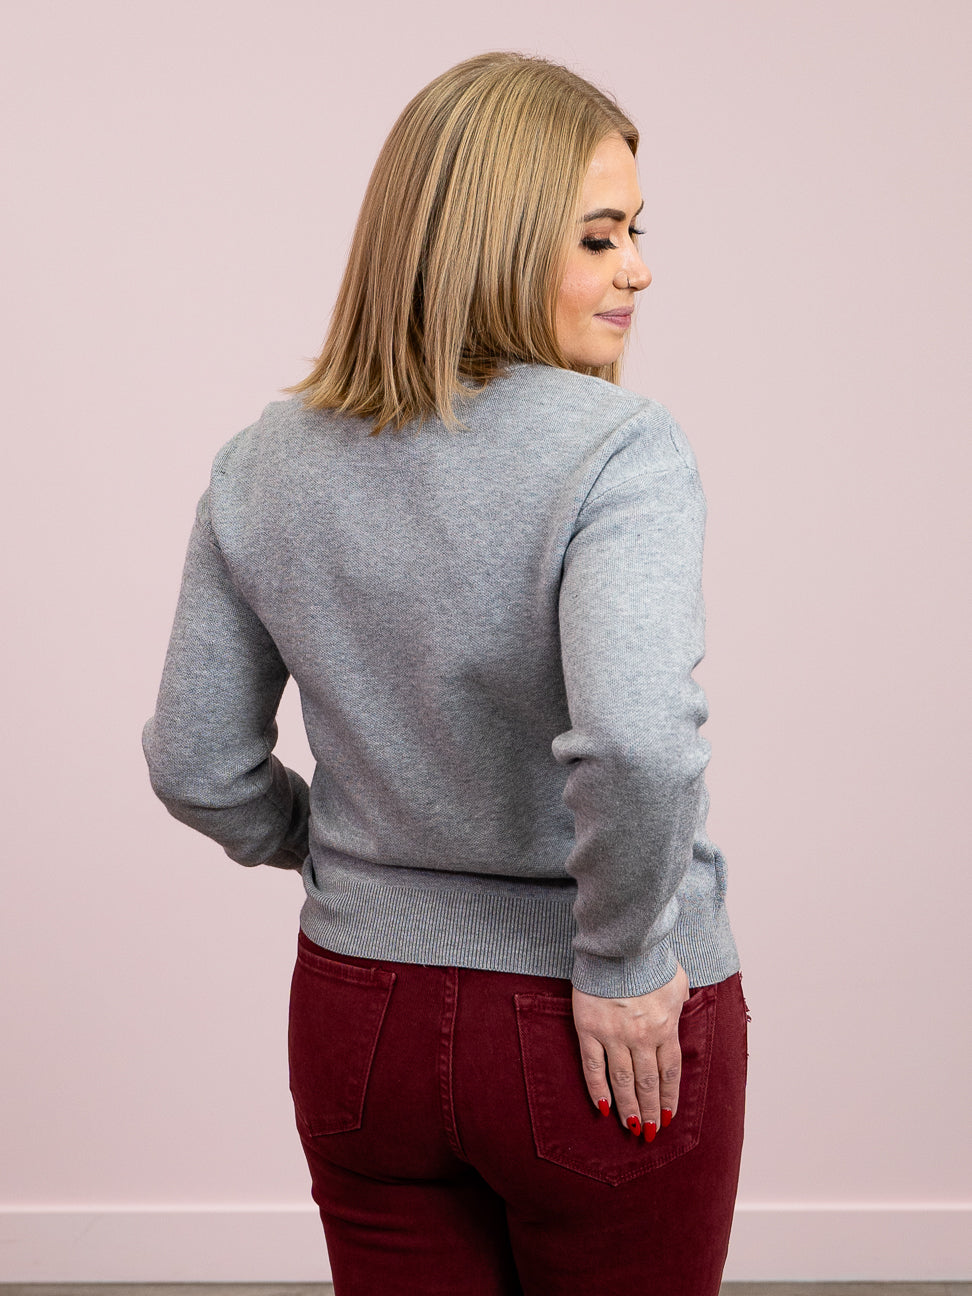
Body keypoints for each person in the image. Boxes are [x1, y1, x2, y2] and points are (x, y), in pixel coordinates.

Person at [142, 50, 749, 1296]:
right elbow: (638, 744)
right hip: (588, 1018)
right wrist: (625, 959)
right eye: (599, 237)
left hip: (360, 1020)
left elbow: (197, 762)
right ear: (498, 244)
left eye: (635, 233)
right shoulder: (619, 450)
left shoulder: (263, 460)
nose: (638, 269)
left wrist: (336, 851)